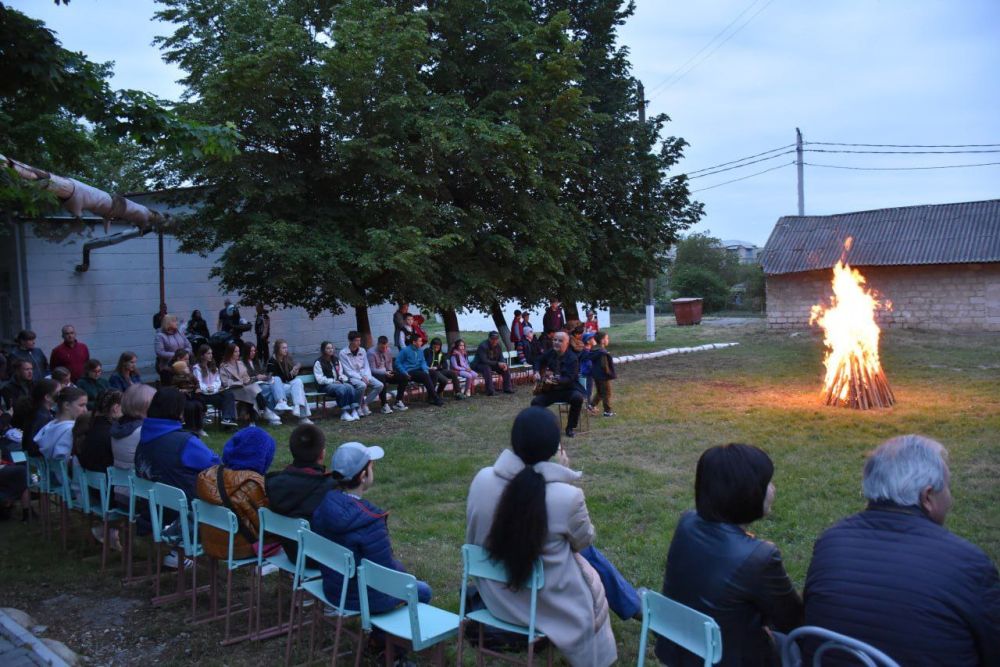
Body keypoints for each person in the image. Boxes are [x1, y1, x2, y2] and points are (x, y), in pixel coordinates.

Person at [804, 435, 1000, 666]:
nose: (951, 497)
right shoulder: (969, 564)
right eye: (947, 487)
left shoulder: (831, 541)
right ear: (927, 497)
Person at [466, 407, 624, 667]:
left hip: (497, 600)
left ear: (514, 441)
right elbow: (584, 541)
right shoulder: (566, 497)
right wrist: (563, 481)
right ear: (555, 448)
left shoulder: (482, 480)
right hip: (549, 607)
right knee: (589, 574)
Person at [657, 444, 802, 667]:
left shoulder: (687, 522)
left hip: (680, 650)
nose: (773, 489)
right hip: (729, 657)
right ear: (747, 493)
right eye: (766, 484)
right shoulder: (758, 556)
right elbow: (794, 621)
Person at [312, 441, 433, 613]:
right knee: (423, 590)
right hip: (365, 598)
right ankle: (386, 637)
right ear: (363, 476)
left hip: (334, 589)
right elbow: (385, 573)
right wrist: (403, 571)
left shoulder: (324, 506)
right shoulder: (368, 521)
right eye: (371, 467)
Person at [196, 427, 276, 560]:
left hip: (210, 543)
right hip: (240, 547)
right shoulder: (251, 483)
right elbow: (267, 526)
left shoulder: (209, 474)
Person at [134, 387, 220, 503]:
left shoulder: (143, 438)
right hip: (187, 513)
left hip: (152, 509)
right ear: (179, 411)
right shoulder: (184, 442)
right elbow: (217, 466)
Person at [265, 424, 336, 559]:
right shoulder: (329, 487)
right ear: (322, 454)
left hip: (289, 552)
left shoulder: (273, 483)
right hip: (321, 557)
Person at [531, 331, 585, 438]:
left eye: (560, 341)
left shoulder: (572, 358)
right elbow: (538, 360)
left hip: (568, 389)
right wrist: (536, 371)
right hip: (552, 389)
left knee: (577, 398)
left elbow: (570, 378)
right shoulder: (550, 352)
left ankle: (570, 428)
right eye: (554, 340)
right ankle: (543, 427)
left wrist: (556, 379)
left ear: (567, 343)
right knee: (535, 402)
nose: (556, 342)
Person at [111, 384, 156, 503]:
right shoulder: (142, 431)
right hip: (139, 495)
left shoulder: (118, 427)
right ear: (146, 406)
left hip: (120, 490)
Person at [192, 345, 240, 428]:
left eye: (211, 353)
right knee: (198, 396)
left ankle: (227, 419)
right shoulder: (197, 368)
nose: (211, 355)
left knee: (229, 394)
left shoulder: (214, 367)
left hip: (213, 393)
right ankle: (205, 418)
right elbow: (198, 382)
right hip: (203, 394)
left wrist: (213, 387)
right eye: (208, 353)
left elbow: (217, 381)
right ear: (202, 355)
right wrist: (207, 388)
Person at [267, 340, 314, 425]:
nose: (286, 350)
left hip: (285, 386)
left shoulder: (287, 359)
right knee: (299, 391)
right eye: (283, 348)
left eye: (286, 348)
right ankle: (303, 417)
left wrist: (294, 372)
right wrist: (289, 375)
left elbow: (288, 378)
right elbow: (274, 378)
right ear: (277, 349)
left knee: (298, 381)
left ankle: (297, 406)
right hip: (277, 388)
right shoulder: (272, 361)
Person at [75, 389, 122, 473]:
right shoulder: (112, 433)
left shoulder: (89, 428)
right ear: (116, 408)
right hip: (107, 483)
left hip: (89, 483)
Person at [35, 386, 88, 460]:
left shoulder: (49, 426)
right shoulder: (71, 430)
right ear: (67, 405)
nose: (85, 410)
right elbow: (63, 460)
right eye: (81, 405)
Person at [219, 342, 268, 423]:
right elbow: (225, 382)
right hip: (232, 390)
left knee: (250, 390)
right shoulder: (224, 366)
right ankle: (261, 410)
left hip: (244, 388)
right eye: (236, 351)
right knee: (251, 390)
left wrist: (246, 380)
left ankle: (254, 418)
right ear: (230, 352)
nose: (238, 353)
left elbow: (246, 377)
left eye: (238, 351)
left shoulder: (240, 363)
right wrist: (239, 382)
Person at [339, 331, 383, 417]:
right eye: (356, 340)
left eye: (359, 340)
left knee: (379, 385)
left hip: (365, 375)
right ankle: (357, 407)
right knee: (362, 385)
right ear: (350, 341)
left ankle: (364, 404)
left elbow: (366, 366)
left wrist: (366, 376)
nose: (358, 342)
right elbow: (348, 370)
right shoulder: (343, 353)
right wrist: (360, 378)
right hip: (352, 377)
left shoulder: (362, 350)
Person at [314, 341, 360, 422]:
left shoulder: (336, 360)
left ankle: (353, 410)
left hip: (337, 383)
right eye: (328, 348)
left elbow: (340, 373)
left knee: (350, 387)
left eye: (331, 348)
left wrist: (343, 379)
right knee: (341, 388)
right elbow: (320, 379)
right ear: (323, 350)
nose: (330, 350)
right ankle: (344, 412)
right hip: (324, 386)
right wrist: (333, 381)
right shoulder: (319, 362)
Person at [11, 379, 58, 457]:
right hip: (39, 463)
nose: (61, 396)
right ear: (47, 397)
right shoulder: (43, 417)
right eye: (58, 393)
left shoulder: (37, 411)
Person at [395, 333, 444, 407]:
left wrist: (425, 369)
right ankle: (436, 398)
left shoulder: (420, 350)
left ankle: (431, 397)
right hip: (409, 372)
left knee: (433, 373)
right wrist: (403, 372)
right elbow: (397, 362)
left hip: (419, 370)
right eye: (420, 341)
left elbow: (423, 362)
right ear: (414, 342)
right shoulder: (405, 350)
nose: (421, 343)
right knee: (424, 375)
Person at [367, 336, 405, 412]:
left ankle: (398, 401)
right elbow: (372, 369)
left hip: (386, 372)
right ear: (378, 344)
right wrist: (385, 373)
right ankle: (384, 405)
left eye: (386, 347)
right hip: (375, 374)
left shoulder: (388, 350)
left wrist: (390, 371)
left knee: (403, 377)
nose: (384, 349)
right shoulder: (371, 352)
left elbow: (389, 363)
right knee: (382, 379)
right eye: (382, 348)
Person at [155, 314, 193, 383]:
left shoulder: (179, 333)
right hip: (169, 367)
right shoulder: (160, 336)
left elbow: (189, 346)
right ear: (168, 323)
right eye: (174, 321)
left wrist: (184, 354)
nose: (177, 323)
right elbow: (159, 352)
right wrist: (176, 355)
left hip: (184, 365)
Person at [474, 332, 514, 396]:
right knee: (487, 368)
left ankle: (508, 388)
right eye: (493, 339)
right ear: (489, 338)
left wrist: (503, 364)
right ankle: (490, 391)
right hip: (479, 364)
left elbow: (501, 356)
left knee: (505, 367)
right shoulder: (483, 346)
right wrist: (498, 363)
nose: (495, 341)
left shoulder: (498, 345)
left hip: (492, 364)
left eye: (496, 339)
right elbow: (484, 360)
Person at [589, 332, 616, 418]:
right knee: (607, 393)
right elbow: (604, 365)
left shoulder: (594, 350)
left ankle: (591, 405)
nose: (608, 340)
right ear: (602, 340)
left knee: (600, 392)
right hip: (603, 375)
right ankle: (607, 412)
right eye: (607, 338)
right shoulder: (602, 352)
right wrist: (609, 373)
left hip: (596, 375)